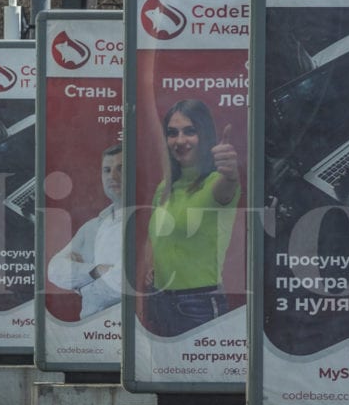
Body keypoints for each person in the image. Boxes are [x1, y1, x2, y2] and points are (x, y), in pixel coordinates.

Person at [144, 99, 240, 337]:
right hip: (159, 302)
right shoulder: (165, 187)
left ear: (205, 134)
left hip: (199, 306)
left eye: (190, 131)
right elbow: (160, 235)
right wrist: (153, 263)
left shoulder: (217, 183)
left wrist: (230, 173)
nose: (180, 141)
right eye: (172, 133)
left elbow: (227, 186)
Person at [47, 144, 123, 319]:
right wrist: (95, 271)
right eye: (106, 170)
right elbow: (54, 269)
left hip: (126, 328)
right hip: (89, 333)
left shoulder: (149, 221)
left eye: (121, 168)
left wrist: (82, 285)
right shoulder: (92, 226)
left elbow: (124, 283)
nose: (112, 176)